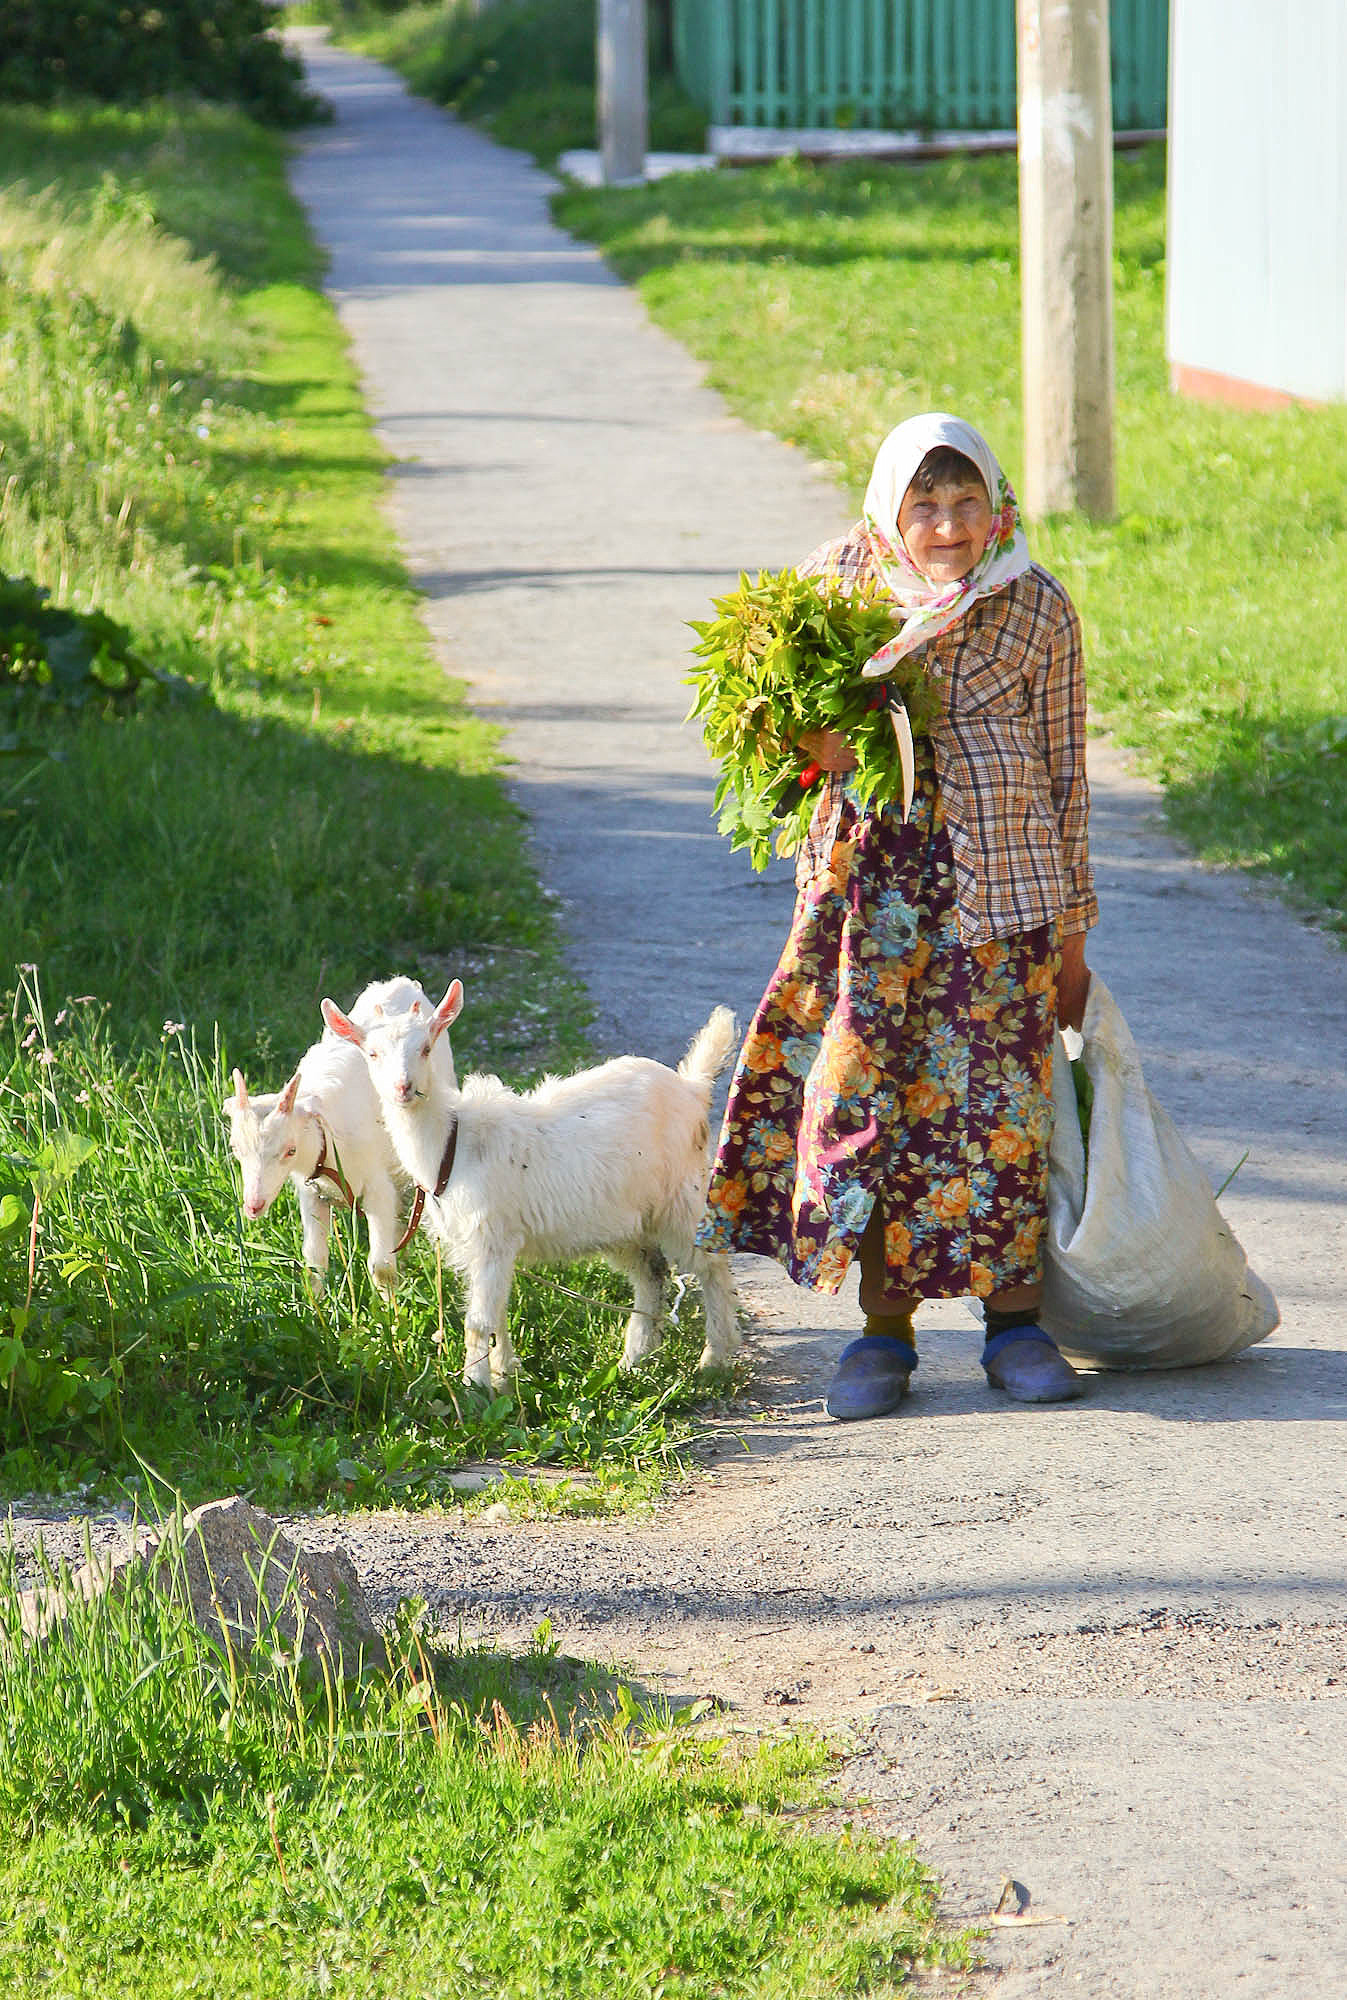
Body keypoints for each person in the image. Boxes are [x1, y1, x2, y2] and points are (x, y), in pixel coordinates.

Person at [696, 412, 1096, 1417]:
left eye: (968, 504)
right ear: (893, 507)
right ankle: (883, 1336)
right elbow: (766, 733)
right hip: (868, 902)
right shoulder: (837, 583)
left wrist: (1077, 934)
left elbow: (1069, 776)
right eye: (927, 503)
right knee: (869, 1101)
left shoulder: (1038, 606)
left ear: (996, 505)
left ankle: (1016, 1326)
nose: (950, 528)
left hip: (1003, 899)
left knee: (1000, 1113)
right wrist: (814, 745)